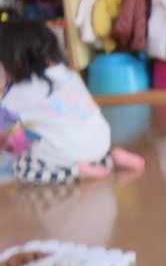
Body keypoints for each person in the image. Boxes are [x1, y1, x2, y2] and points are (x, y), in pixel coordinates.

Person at [0, 18, 145, 183]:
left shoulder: (16, 95)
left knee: (21, 169)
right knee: (67, 145)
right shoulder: (66, 74)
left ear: (14, 63)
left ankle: (76, 171)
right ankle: (111, 157)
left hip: (71, 150)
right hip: (101, 140)